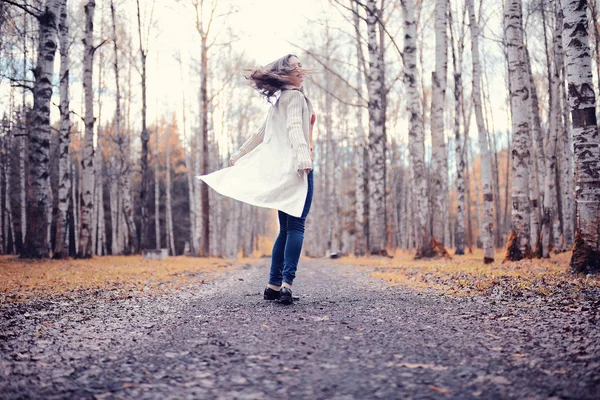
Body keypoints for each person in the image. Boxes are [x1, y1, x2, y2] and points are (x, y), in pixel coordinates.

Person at [198, 54, 316, 305]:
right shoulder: (294, 96)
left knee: (285, 229)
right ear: (285, 75)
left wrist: (240, 153)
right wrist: (303, 158)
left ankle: (273, 286)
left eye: (300, 66)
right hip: (297, 167)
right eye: (296, 68)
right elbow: (295, 127)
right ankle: (286, 285)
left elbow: (261, 132)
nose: (301, 71)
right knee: (296, 227)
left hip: (285, 168)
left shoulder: (280, 99)